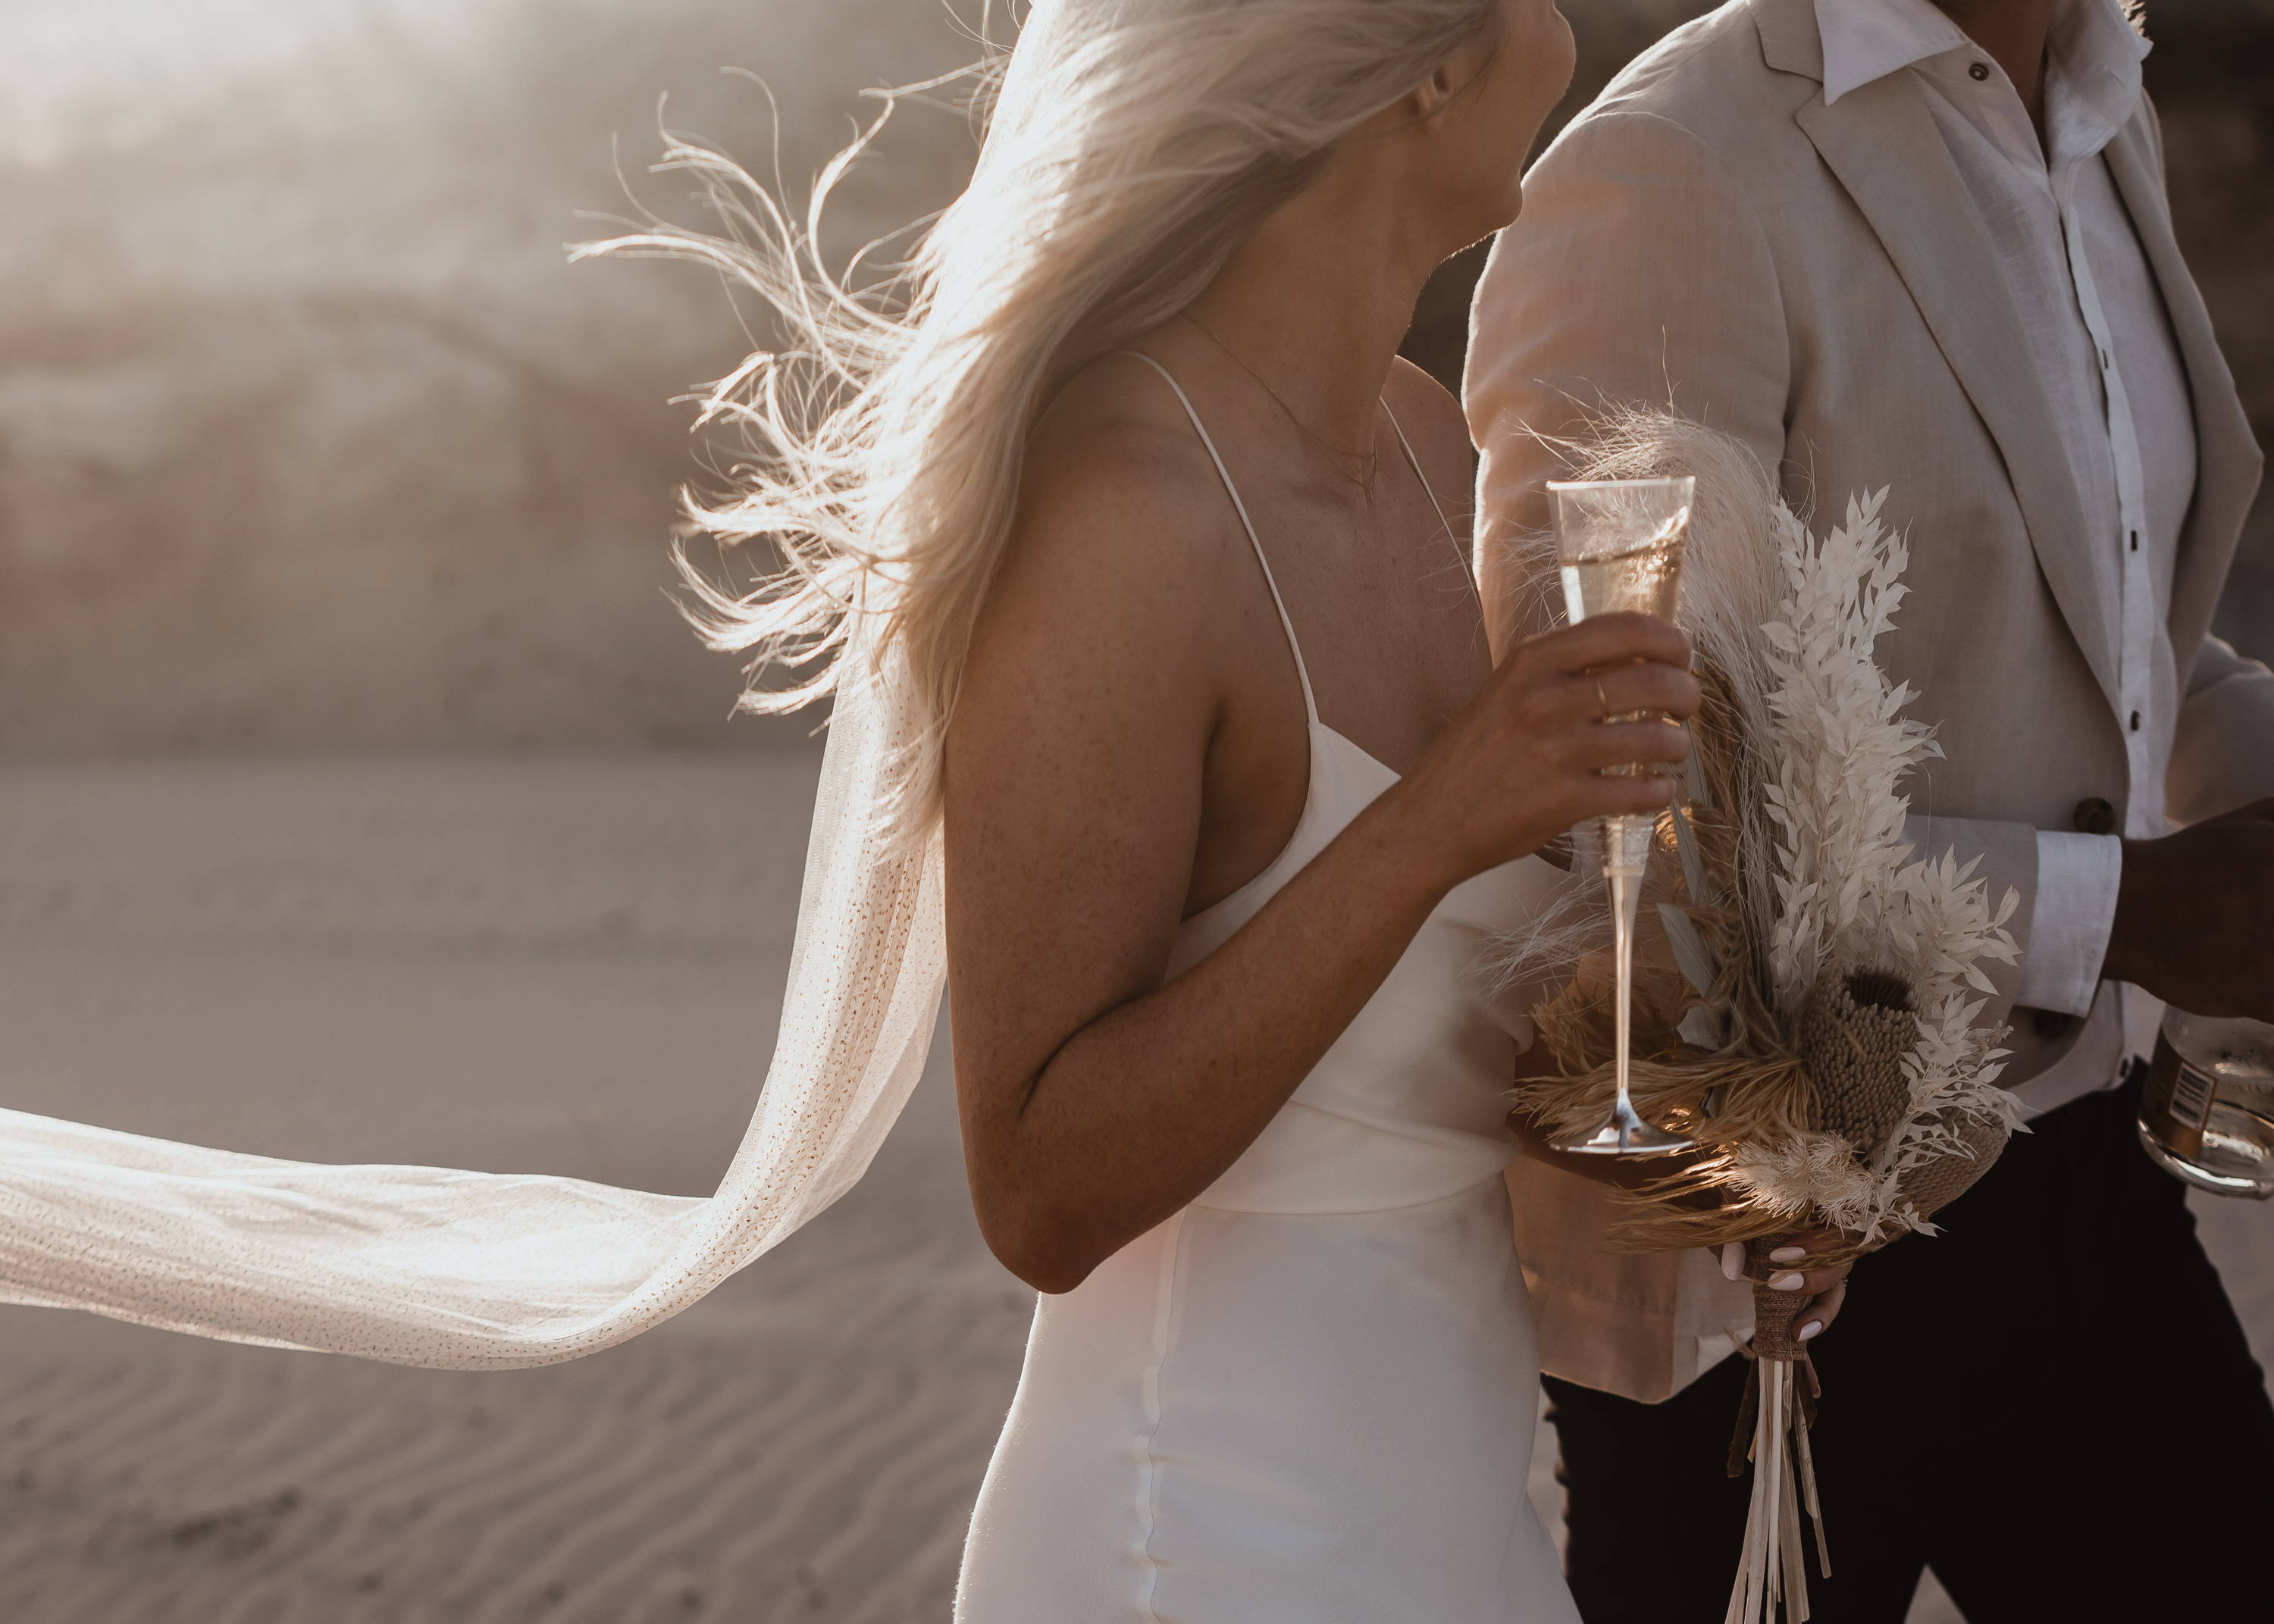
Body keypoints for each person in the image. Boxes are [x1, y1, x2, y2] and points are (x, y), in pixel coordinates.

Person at [1466, 0, 2274, 1619]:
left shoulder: (2108, 111)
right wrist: (2133, 908)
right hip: (1770, 1251)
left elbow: (2125, 656)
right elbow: (1624, 815)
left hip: (2083, 1173)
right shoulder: (1671, 166)